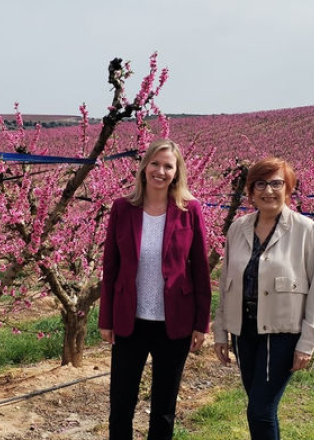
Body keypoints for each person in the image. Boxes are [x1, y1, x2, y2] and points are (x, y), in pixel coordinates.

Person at [99, 138, 211, 440]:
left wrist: (202, 323)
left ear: (177, 172)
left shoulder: (189, 210)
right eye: (155, 163)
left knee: (164, 408)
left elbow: (200, 269)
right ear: (145, 166)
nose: (160, 171)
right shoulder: (122, 208)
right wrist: (105, 319)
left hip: (174, 323)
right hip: (129, 321)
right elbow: (110, 267)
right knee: (121, 404)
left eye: (168, 166)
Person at [213, 157, 314, 440]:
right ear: (250, 191)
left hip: (282, 333)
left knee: (260, 411)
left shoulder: (304, 230)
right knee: (260, 408)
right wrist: (221, 332)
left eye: (277, 183)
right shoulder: (237, 229)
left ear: (288, 189)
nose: (268, 191)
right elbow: (227, 283)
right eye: (260, 184)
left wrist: (308, 342)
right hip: (244, 331)